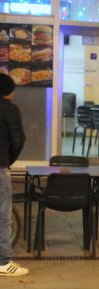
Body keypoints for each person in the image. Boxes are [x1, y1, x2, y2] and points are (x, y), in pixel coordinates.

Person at [0, 73, 26, 277]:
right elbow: (18, 141)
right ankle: (4, 262)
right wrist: (7, 161)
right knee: (2, 216)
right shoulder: (9, 109)